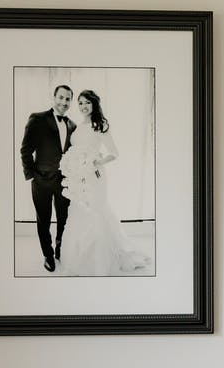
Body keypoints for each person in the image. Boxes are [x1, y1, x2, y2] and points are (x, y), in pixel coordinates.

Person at [57, 90, 152, 276]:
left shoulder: (100, 125)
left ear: (94, 104)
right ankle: (78, 258)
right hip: (79, 178)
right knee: (78, 211)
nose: (83, 106)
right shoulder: (77, 127)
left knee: (95, 212)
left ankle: (98, 260)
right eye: (80, 103)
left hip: (95, 177)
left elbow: (114, 152)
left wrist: (97, 162)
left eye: (87, 103)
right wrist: (73, 166)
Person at [20, 85, 76, 273]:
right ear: (53, 97)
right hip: (41, 181)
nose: (64, 102)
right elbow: (25, 150)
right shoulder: (37, 119)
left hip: (64, 182)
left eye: (68, 99)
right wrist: (31, 176)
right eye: (61, 97)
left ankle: (61, 249)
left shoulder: (72, 125)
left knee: (64, 219)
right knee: (43, 220)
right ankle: (48, 255)